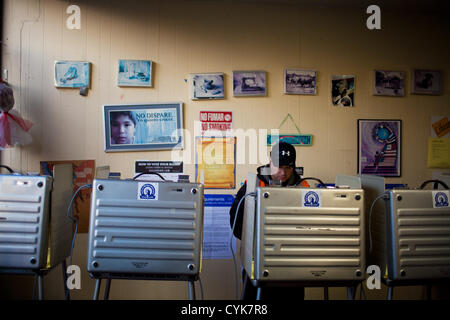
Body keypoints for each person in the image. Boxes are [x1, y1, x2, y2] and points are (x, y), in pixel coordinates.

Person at [229, 141, 309, 300]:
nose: (283, 173)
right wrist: (252, 242)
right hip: (256, 261)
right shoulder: (252, 185)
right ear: (270, 161)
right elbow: (235, 220)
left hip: (293, 263)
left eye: (288, 167)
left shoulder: (303, 186)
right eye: (279, 166)